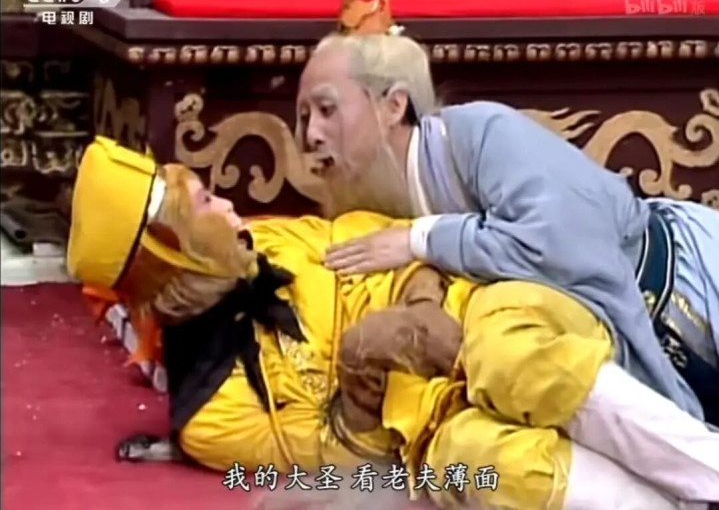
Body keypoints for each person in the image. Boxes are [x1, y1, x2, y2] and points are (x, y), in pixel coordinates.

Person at [67, 136, 719, 509]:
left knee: (513, 361)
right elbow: (335, 463)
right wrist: (361, 379)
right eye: (208, 201)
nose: (231, 203)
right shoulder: (211, 415)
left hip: (477, 313)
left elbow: (395, 243)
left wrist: (419, 308)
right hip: (425, 432)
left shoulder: (276, 240)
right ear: (174, 251)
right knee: (495, 465)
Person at [295, 0, 719, 489]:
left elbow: (555, 243)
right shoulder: (373, 213)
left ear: (393, 106)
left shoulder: (479, 133)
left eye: (326, 110)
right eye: (302, 117)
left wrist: (424, 239)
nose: (309, 135)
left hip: (682, 289)